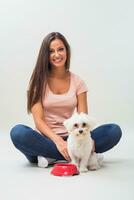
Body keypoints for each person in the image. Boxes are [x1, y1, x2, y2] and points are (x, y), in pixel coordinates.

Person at [10, 32, 122, 168]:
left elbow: (83, 119)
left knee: (113, 131)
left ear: (67, 51)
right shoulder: (37, 82)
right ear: (46, 55)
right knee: (18, 133)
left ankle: (50, 156)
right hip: (46, 139)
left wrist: (87, 140)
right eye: (51, 51)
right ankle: (82, 156)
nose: (57, 55)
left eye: (60, 49)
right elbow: (38, 121)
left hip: (75, 137)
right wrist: (58, 141)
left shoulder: (78, 82)